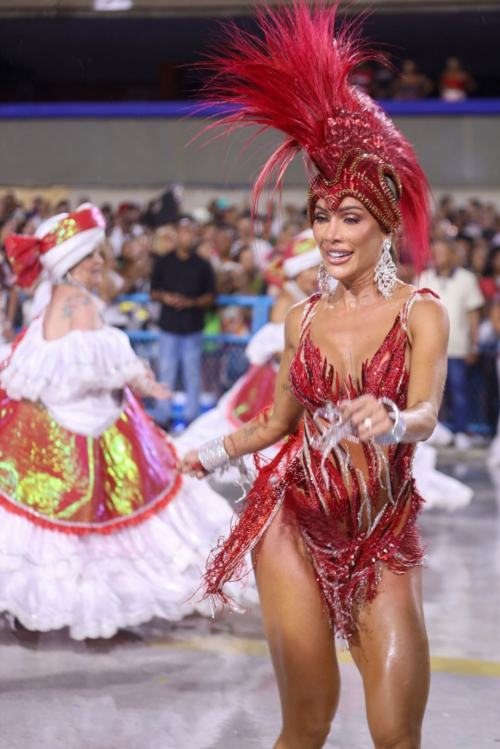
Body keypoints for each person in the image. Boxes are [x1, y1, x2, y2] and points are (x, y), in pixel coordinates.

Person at [180, 5, 449, 748]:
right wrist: (197, 456)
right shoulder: (301, 319)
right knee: (306, 721)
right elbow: (276, 424)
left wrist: (394, 419)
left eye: (350, 217)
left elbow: (425, 411)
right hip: (292, 525)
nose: (330, 232)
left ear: (386, 224)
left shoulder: (421, 312)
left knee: (396, 732)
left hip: (381, 533)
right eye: (321, 215)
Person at [0, 204, 253, 640]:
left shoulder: (51, 301)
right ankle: (97, 614)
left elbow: (69, 367)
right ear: (69, 262)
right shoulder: (78, 300)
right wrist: (139, 378)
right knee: (106, 522)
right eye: (90, 255)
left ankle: (37, 612)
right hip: (85, 435)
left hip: (52, 430)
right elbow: (97, 366)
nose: (100, 262)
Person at [177, 230, 322, 464]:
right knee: (259, 429)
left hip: (297, 380)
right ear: (299, 270)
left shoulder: (309, 296)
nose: (316, 275)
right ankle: (202, 456)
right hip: (278, 379)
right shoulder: (288, 300)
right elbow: (278, 344)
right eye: (312, 268)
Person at [150, 216, 216, 429]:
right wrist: (165, 297)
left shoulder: (203, 265)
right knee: (166, 373)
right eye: (183, 232)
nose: (187, 237)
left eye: (190, 233)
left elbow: (211, 296)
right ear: (177, 235)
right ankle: (162, 418)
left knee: (192, 374)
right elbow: (153, 291)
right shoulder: (163, 262)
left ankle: (191, 417)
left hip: (192, 328)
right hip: (168, 326)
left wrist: (191, 302)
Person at [419, 239, 484, 450]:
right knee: (430, 393)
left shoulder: (467, 279)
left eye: (443, 252)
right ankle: (435, 432)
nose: (439, 257)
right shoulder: (425, 277)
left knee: (459, 391)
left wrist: (474, 345)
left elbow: (473, 314)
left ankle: (461, 430)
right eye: (435, 252)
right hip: (430, 348)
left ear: (452, 254)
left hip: (457, 347)